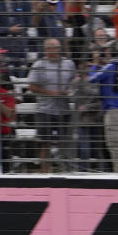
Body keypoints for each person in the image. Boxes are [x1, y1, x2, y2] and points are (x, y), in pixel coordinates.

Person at [28, 38, 75, 173]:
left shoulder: (69, 64)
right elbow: (31, 86)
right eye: (53, 48)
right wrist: (50, 92)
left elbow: (74, 80)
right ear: (46, 50)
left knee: (65, 142)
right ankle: (45, 172)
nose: (57, 51)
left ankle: (64, 170)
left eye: (58, 47)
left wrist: (70, 90)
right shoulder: (39, 65)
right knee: (45, 143)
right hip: (45, 110)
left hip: (64, 110)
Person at [88, 51, 118, 173]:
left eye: (106, 55)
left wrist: (94, 65)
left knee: (114, 144)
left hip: (114, 110)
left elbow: (92, 79)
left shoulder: (111, 66)